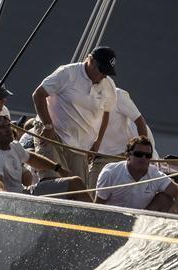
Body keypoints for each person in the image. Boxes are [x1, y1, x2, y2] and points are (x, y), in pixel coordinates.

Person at [32, 46, 118, 185]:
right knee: (51, 182)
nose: (103, 76)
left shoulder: (108, 85)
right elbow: (38, 94)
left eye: (107, 73)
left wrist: (97, 142)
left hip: (79, 146)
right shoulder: (68, 73)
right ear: (90, 60)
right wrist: (48, 125)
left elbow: (106, 113)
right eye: (101, 70)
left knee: (77, 189)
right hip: (54, 135)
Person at [0, 114, 91, 202]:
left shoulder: (14, 146)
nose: (8, 129)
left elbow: (32, 159)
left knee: (76, 183)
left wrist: (58, 169)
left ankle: (98, 223)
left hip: (24, 193)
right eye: (2, 127)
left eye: (8, 125)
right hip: (10, 202)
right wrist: (5, 197)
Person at [96, 136, 178, 212]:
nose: (143, 158)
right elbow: (98, 206)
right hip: (111, 217)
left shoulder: (154, 175)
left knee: (165, 198)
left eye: (147, 156)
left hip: (140, 223)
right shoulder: (110, 173)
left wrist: (172, 212)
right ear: (127, 156)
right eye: (138, 154)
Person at [87, 87, 150, 188]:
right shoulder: (83, 95)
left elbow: (139, 121)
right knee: (91, 195)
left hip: (120, 157)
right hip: (97, 158)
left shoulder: (118, 95)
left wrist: (144, 153)